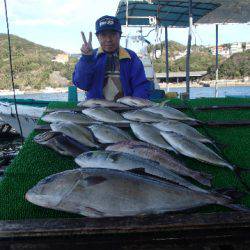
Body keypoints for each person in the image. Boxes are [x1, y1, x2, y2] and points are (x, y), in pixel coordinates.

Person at [72, 15, 151, 101]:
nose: (108, 39)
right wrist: (87, 58)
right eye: (103, 35)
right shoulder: (90, 56)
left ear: (120, 35)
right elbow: (82, 84)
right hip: (97, 110)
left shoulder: (131, 57)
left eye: (113, 34)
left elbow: (140, 85)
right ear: (98, 37)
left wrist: (136, 105)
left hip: (126, 109)